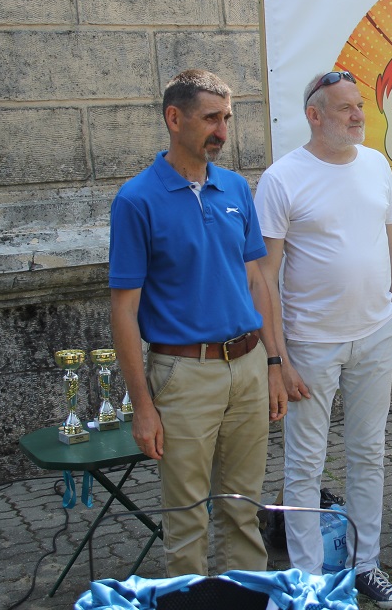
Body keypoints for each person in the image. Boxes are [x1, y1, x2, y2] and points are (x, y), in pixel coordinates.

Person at [109, 69, 288, 577]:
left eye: (226, 118)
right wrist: (143, 407)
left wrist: (274, 363)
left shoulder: (235, 187)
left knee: (243, 509)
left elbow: (257, 281)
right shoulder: (136, 200)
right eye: (211, 118)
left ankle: (246, 598)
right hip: (183, 375)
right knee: (187, 519)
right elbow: (123, 311)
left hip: (249, 365)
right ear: (174, 118)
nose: (222, 132)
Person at [255, 70, 392, 608]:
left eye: (359, 106)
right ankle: (309, 583)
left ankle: (366, 566)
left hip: (377, 334)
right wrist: (278, 358)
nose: (357, 116)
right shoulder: (282, 179)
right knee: (304, 465)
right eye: (345, 107)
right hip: (310, 345)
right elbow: (265, 276)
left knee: (369, 453)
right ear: (314, 115)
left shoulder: (375, 165)